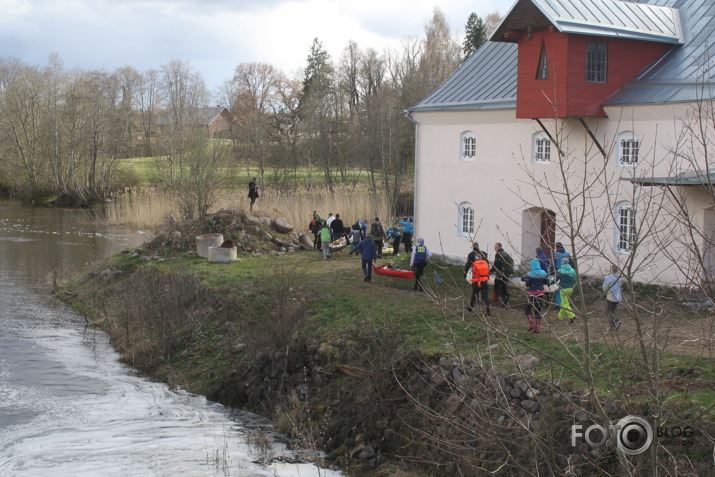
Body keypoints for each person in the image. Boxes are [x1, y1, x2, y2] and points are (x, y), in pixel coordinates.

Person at [521, 259, 549, 333]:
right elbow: (546, 282)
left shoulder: (530, 273)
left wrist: (526, 281)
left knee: (527, 307)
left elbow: (527, 284)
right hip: (540, 293)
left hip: (532, 293)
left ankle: (531, 324)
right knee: (538, 310)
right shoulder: (543, 273)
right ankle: (537, 329)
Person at [467, 251, 491, 316]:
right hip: (485, 281)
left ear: (476, 258)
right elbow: (488, 272)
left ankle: (471, 307)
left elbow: (475, 274)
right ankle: (488, 311)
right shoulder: (486, 263)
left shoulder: (475, 264)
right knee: (486, 297)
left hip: (478, 282)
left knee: (474, 294)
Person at [602, 264, 625, 331]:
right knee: (612, 312)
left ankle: (616, 321)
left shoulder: (608, 278)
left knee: (607, 311)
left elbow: (604, 288)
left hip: (610, 296)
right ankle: (613, 326)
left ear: (611, 269)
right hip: (618, 297)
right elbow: (622, 282)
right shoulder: (620, 278)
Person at [556, 258, 577, 323]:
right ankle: (560, 316)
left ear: (562, 263)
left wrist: (549, 284)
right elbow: (575, 280)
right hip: (570, 289)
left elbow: (556, 280)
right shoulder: (572, 270)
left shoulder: (560, 270)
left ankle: (572, 316)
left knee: (565, 303)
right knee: (564, 302)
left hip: (563, 289)